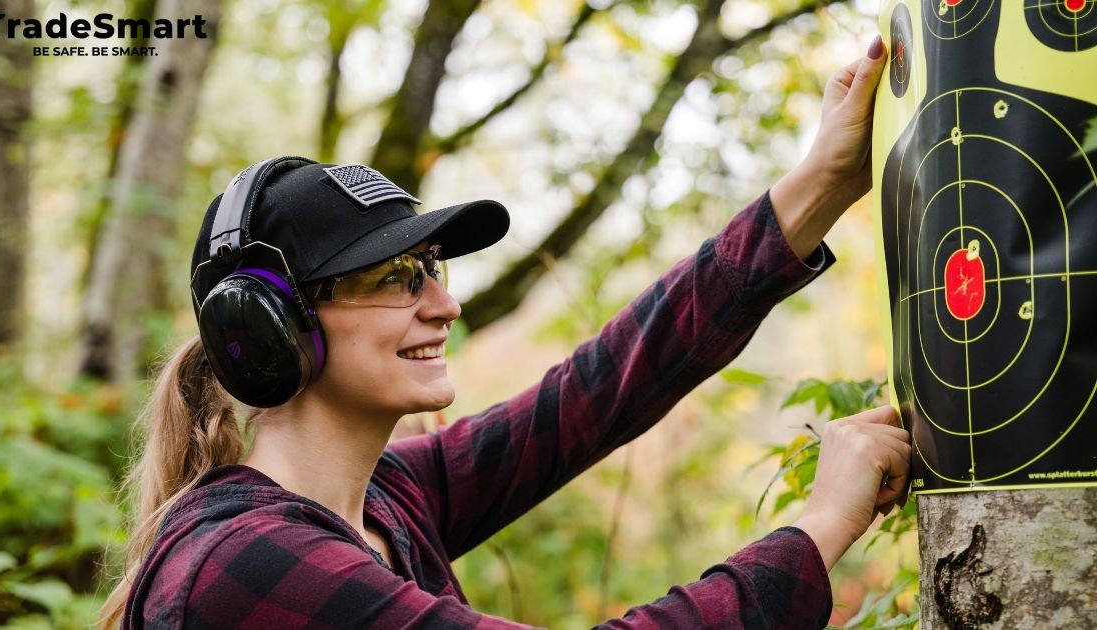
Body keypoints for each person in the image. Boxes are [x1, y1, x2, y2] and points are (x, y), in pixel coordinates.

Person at [99, 35, 910, 629]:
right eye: (392, 279)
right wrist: (821, 524)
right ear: (271, 326)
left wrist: (820, 185)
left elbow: (599, 389)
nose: (443, 306)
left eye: (432, 269)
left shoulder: (387, 501)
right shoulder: (245, 564)